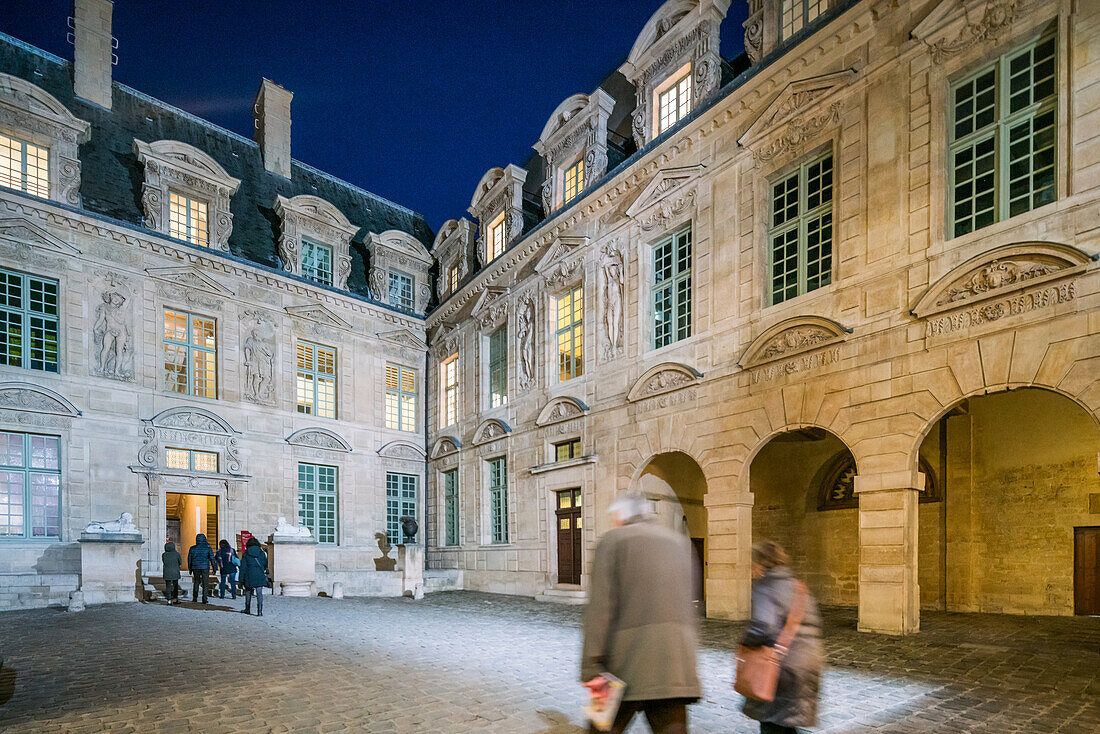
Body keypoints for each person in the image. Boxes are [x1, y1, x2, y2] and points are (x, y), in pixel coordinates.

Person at [581, 493, 700, 734]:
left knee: (600, 728)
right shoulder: (678, 543)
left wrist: (591, 667)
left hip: (625, 666)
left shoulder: (613, 541)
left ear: (621, 516)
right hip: (674, 666)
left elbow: (600, 610)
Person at [740, 540, 824, 734]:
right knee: (787, 723)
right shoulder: (799, 587)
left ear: (760, 563)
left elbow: (763, 626)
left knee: (771, 722)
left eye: (752, 563)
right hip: (809, 664)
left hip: (781, 668)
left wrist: (745, 642)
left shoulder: (765, 586)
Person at [241, 537, 268, 617]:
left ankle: (247, 609)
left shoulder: (246, 554)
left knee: (248, 592)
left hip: (249, 575)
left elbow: (243, 568)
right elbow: (265, 564)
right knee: (259, 593)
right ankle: (260, 611)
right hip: (259, 574)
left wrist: (241, 579)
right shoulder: (261, 553)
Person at [186, 533, 216, 604]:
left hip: (195, 567)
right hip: (205, 567)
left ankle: (195, 597)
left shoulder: (192, 548)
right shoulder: (208, 548)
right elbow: (212, 559)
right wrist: (214, 568)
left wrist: (190, 568)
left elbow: (189, 559)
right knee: (205, 583)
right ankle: (204, 599)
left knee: (196, 582)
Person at [161, 541, 182, 605]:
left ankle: (169, 600)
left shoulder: (164, 554)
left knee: (168, 586)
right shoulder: (176, 554)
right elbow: (180, 562)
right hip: (175, 571)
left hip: (167, 571)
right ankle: (175, 599)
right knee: (175, 586)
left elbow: (164, 562)